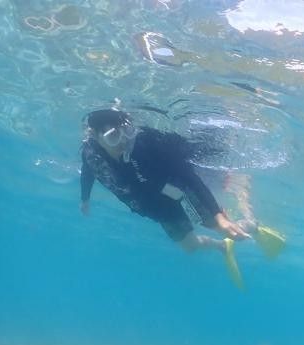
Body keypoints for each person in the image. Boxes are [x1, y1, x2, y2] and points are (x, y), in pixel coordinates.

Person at [79, 108, 285, 288]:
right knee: (190, 246)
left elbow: (187, 176)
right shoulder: (90, 152)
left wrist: (218, 217)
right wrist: (84, 198)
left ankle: (252, 225)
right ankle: (222, 247)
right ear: (95, 137)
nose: (123, 142)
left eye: (126, 132)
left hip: (178, 192)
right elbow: (89, 170)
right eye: (113, 136)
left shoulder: (144, 146)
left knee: (222, 226)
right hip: (156, 208)